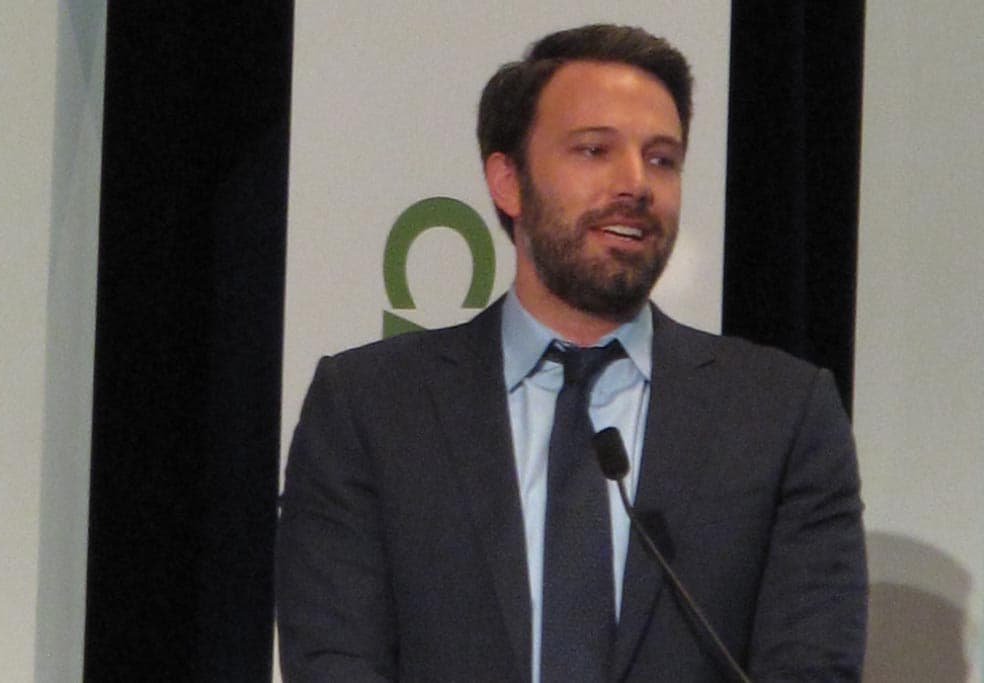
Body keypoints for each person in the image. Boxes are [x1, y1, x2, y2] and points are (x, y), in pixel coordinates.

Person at [276, 24, 867, 682]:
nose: (636, 183)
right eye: (594, 150)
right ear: (508, 181)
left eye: (662, 159)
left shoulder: (782, 417)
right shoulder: (370, 408)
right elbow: (334, 660)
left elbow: (813, 667)